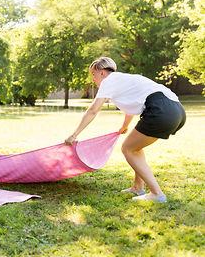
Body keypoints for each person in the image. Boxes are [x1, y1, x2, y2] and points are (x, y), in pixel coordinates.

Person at [64, 57, 186, 203]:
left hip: (161, 111)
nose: (93, 79)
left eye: (93, 74)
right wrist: (125, 125)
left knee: (127, 148)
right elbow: (133, 104)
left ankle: (156, 194)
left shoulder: (108, 82)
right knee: (136, 147)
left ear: (102, 73)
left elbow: (93, 110)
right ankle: (138, 187)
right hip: (177, 110)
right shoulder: (124, 79)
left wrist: (74, 134)